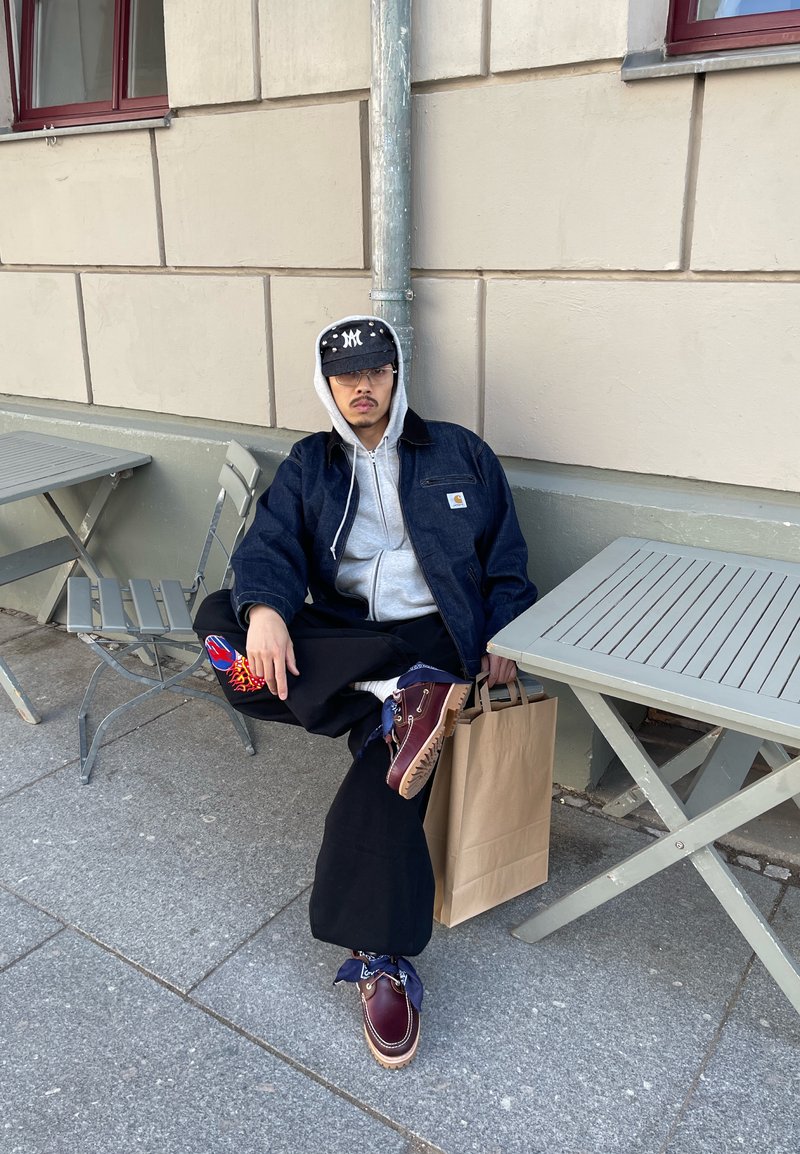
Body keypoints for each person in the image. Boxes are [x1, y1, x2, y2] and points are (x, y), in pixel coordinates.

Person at [194, 315, 537, 1068]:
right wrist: (266, 612)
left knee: (385, 777)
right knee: (222, 621)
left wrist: (505, 629)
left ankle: (381, 954)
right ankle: (396, 700)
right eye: (347, 375)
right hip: (348, 638)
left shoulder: (459, 453)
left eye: (376, 371)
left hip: (437, 636)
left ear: (395, 374)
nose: (363, 386)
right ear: (327, 384)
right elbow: (270, 546)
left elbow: (507, 557)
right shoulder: (311, 464)